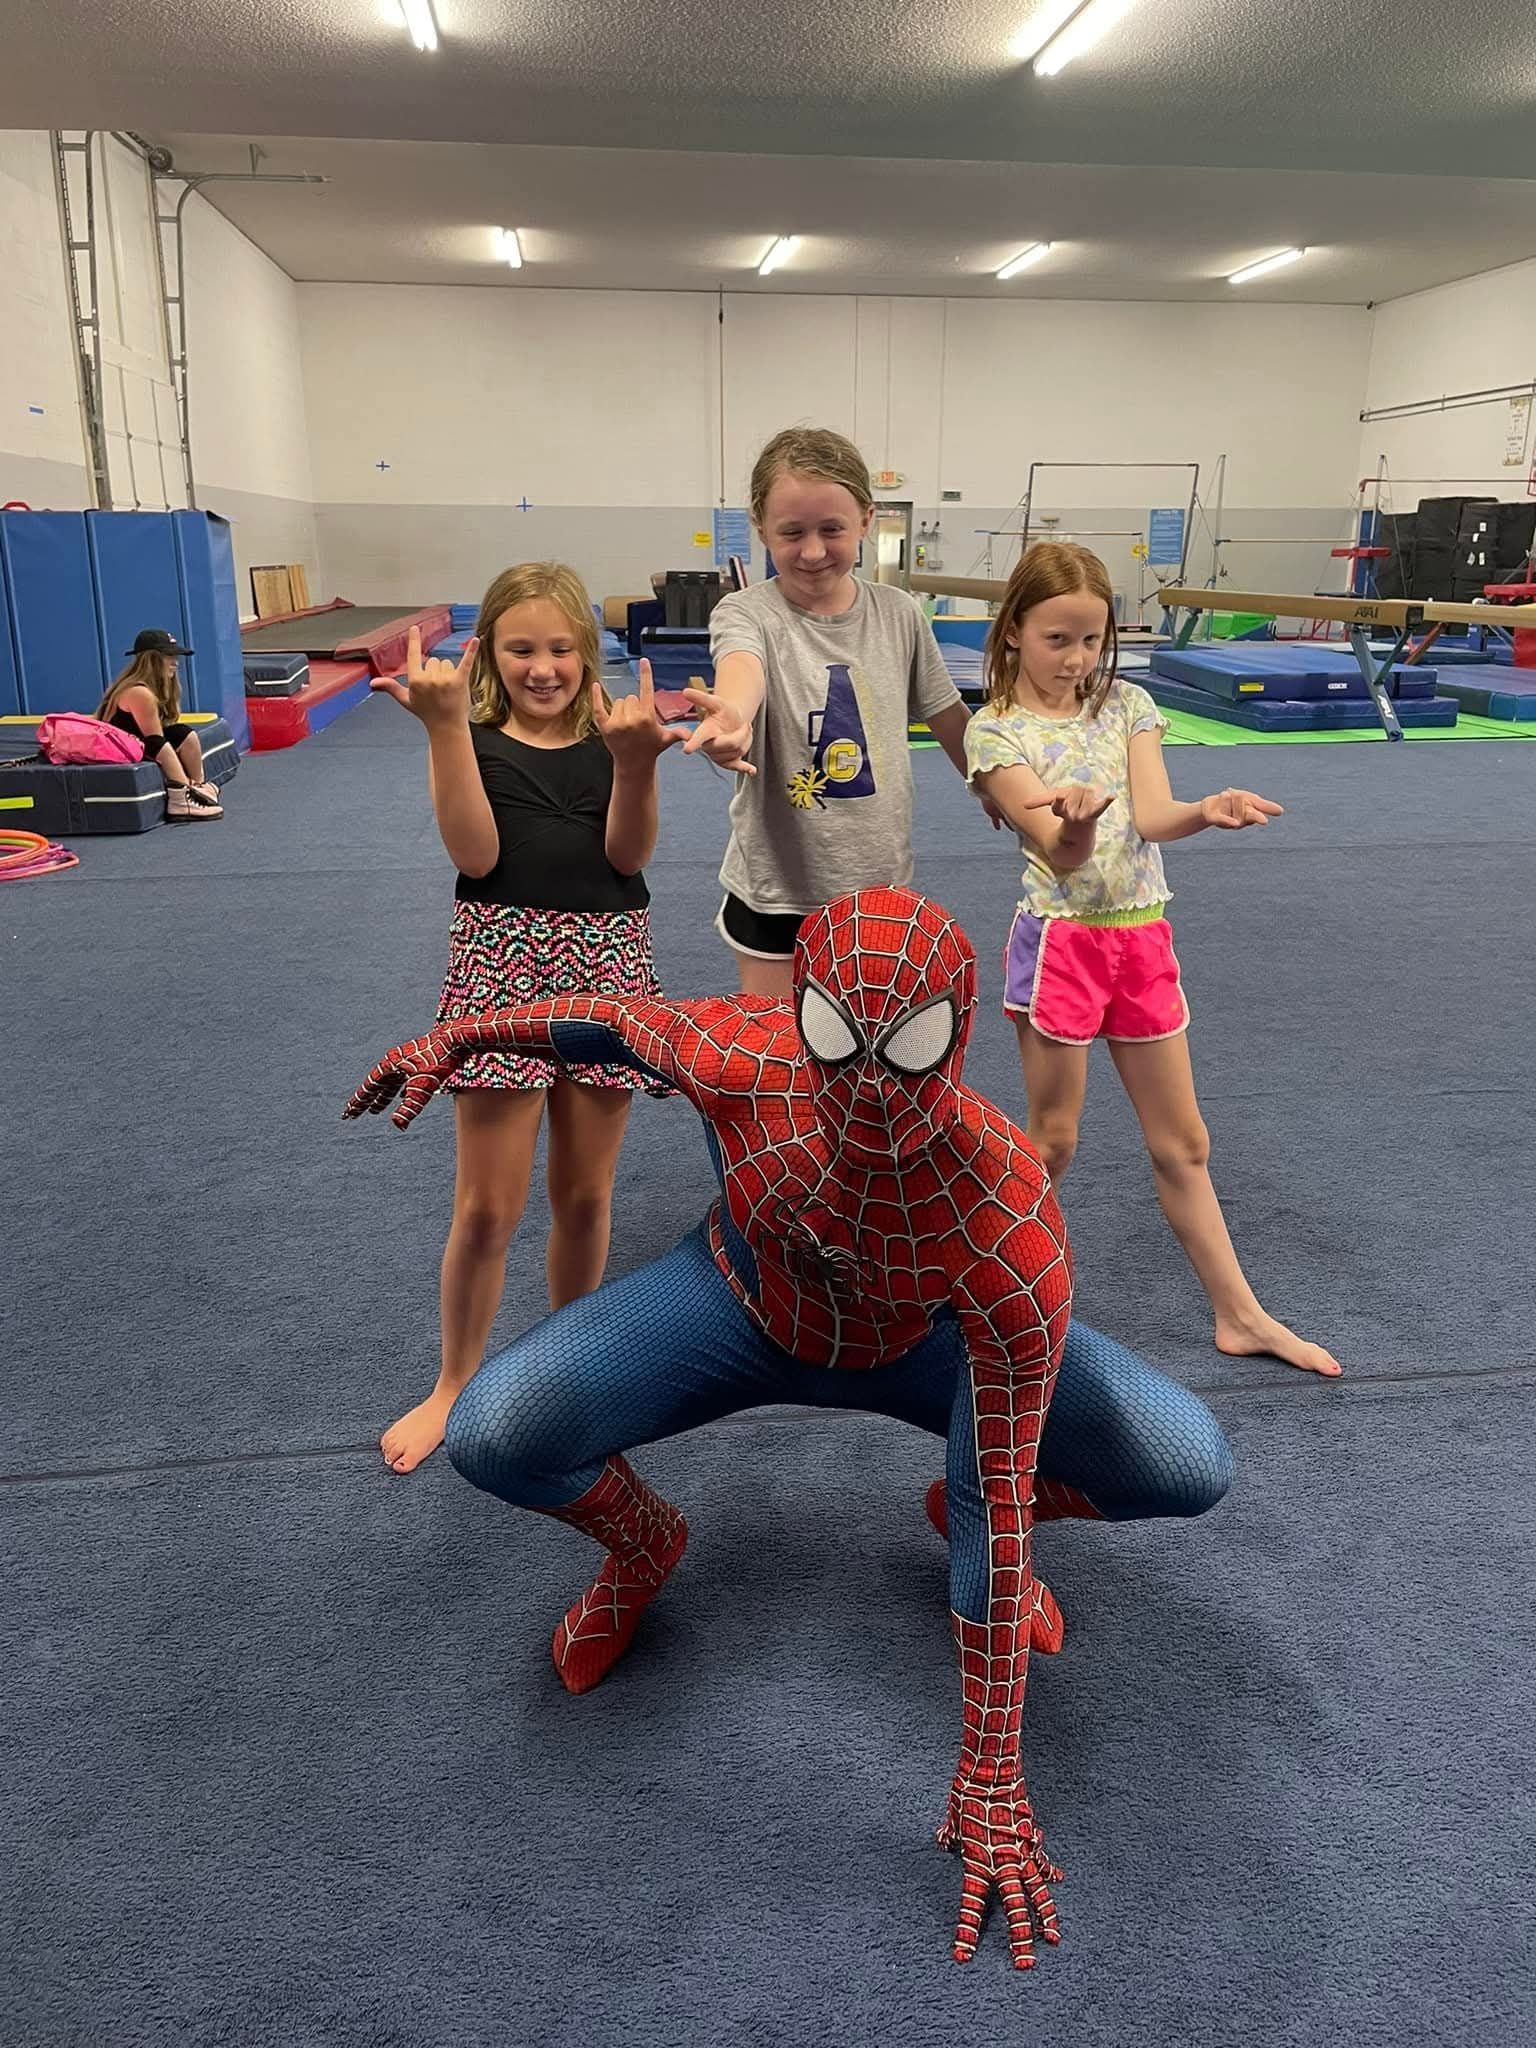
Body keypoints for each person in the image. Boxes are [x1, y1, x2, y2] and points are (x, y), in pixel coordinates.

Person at [343, 885, 1235, 1972]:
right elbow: (604, 1018)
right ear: (801, 1010)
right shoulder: (746, 1055)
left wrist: (992, 1776)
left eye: (905, 1047)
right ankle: (644, 1542)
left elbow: (999, 1497)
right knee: (497, 1428)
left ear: (958, 1031)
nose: (867, 1083)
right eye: (835, 1037)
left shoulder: (1005, 1214)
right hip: (737, 1305)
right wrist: (461, 1033)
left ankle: (939, 1502)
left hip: (929, 1347)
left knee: (1182, 1459)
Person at [964, 542, 1340, 1378]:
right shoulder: (996, 731)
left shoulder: (1125, 704)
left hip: (1142, 940)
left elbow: (1157, 813)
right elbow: (1060, 856)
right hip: (1062, 943)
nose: (1078, 659)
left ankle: (1239, 1313)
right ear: (1016, 630)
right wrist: (1076, 820)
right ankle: (978, 1293)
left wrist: (1208, 807)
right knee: (1054, 1142)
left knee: (1185, 1143)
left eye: (1093, 640)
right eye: (1059, 639)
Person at [370, 562, 681, 1474]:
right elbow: (476, 851)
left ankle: (565, 1362)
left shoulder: (612, 743)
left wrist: (635, 765)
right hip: (501, 967)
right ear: (487, 655)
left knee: (584, 1197)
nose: (543, 668)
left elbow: (627, 856)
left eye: (561, 650)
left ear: (589, 654)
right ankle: (454, 1380)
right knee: (486, 1208)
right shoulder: (473, 738)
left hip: (608, 966)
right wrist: (443, 730)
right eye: (520, 650)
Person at [681, 426, 990, 998]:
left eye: (833, 530)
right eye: (792, 532)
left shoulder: (898, 614)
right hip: (777, 887)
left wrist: (994, 783)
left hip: (876, 884)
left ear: (867, 520)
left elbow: (949, 716)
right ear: (760, 526)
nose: (814, 551)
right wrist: (734, 718)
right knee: (777, 1059)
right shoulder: (747, 613)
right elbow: (742, 671)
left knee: (867, 1061)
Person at [97, 629, 222, 821]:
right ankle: (182, 799)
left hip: (134, 743)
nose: (176, 663)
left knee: (185, 734)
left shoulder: (149, 688)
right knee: (159, 742)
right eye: (169, 657)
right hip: (119, 751)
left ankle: (198, 786)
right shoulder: (139, 692)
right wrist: (182, 781)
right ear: (152, 660)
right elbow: (155, 742)